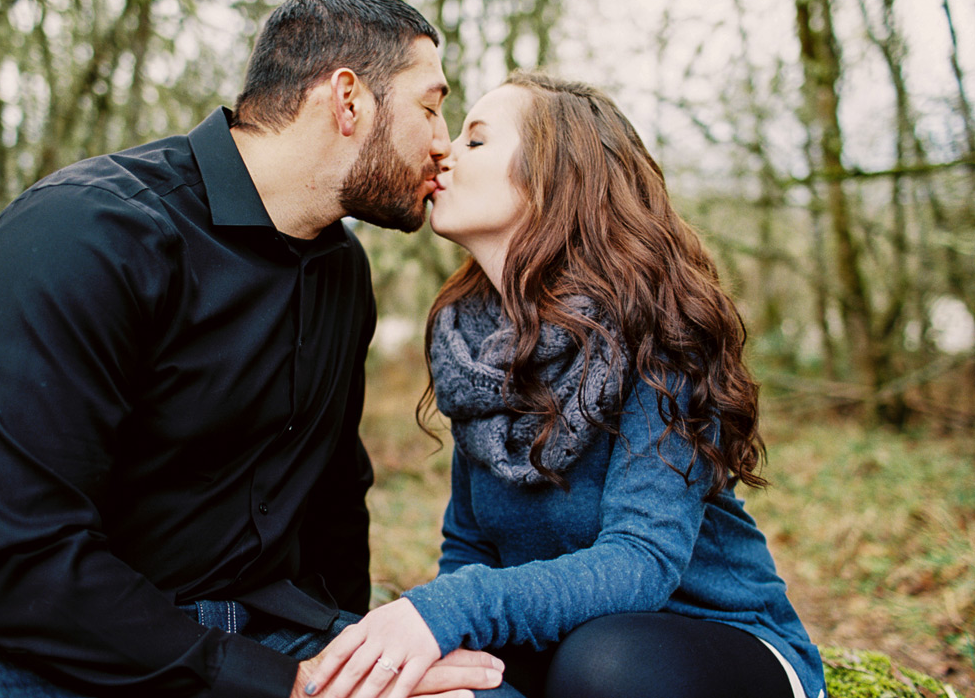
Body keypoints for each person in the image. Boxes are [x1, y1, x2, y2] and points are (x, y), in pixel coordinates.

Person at [0, 0, 506, 698]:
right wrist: (287, 685)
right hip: (40, 650)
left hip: (266, 628)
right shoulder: (83, 235)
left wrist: (355, 653)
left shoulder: (342, 269)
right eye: (430, 107)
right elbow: (19, 564)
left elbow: (335, 495)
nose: (442, 140)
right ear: (348, 101)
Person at [304, 72, 828, 698]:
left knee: (605, 667)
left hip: (711, 640)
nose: (443, 151)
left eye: (476, 141)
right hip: (560, 643)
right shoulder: (468, 345)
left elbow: (641, 561)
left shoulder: (655, 327)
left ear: (553, 176)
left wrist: (445, 609)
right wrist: (449, 651)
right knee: (441, 685)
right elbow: (470, 546)